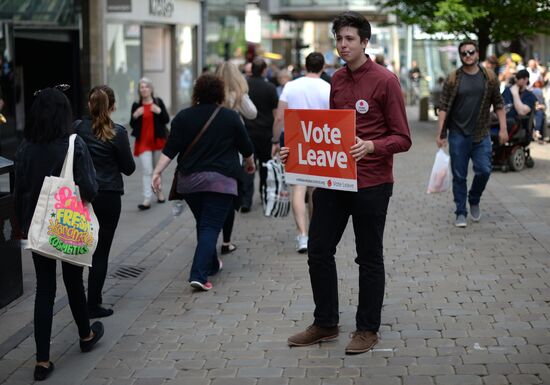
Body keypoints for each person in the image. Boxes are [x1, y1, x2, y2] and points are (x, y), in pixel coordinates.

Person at [282, 11, 411, 355]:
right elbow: (327, 130)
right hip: (335, 181)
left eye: (349, 38)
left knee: (369, 256)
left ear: (365, 42)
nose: (342, 45)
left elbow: (403, 138)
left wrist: (372, 146)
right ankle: (325, 322)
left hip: (372, 182)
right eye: (338, 38)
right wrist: (296, 152)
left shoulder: (386, 80)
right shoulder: (335, 79)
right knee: (319, 248)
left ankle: (367, 328)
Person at [14, 87, 104, 381]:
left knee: (44, 289)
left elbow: (20, 191)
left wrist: (20, 226)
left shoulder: (25, 147)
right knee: (73, 280)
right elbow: (90, 188)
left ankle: (42, 361)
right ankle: (86, 334)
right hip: (67, 223)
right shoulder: (73, 145)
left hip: (38, 225)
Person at [151, 74, 255, 291]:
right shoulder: (229, 117)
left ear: (196, 92)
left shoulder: (183, 117)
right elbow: (246, 148)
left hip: (190, 183)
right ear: (219, 93)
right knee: (209, 226)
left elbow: (171, 149)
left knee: (205, 223)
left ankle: (212, 263)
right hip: (221, 182)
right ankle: (198, 274)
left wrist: (157, 172)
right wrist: (250, 164)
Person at [75, 86, 135, 318]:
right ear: (112, 106)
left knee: (80, 249)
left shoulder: (78, 128)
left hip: (83, 195)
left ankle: (78, 301)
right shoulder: (117, 132)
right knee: (101, 252)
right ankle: (93, 304)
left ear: (90, 105)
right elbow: (129, 168)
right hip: (109, 196)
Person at [437, 40, 508, 228]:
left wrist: (503, 129)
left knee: (484, 170)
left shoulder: (489, 77)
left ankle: (474, 198)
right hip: (457, 134)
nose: (467, 55)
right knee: (459, 176)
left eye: (470, 52)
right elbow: (443, 106)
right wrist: (440, 133)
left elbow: (499, 104)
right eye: (464, 53)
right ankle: (460, 211)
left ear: (477, 53)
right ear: (460, 56)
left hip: (481, 133)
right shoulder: (453, 78)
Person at [271, 52, 330, 253]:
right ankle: (314, 231)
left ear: (305, 66)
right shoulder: (328, 88)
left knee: (298, 188)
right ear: (323, 67)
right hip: (319, 140)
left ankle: (302, 235)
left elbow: (280, 116)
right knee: (315, 189)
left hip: (295, 137)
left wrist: (275, 140)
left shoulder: (291, 86)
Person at [215, 61, 257, 255]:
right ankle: (226, 239)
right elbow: (252, 113)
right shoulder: (238, 95)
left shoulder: (213, 94)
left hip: (213, 146)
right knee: (230, 193)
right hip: (233, 150)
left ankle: (212, 231)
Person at [241, 58, 279, 212]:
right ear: (264, 70)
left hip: (247, 131)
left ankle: (246, 200)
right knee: (265, 165)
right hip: (265, 132)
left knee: (249, 165)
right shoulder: (270, 87)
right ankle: (264, 195)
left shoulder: (245, 86)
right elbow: (276, 113)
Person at [130, 77, 170, 210]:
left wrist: (158, 111)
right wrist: (135, 115)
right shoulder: (136, 105)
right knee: (147, 170)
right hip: (143, 143)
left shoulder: (158, 102)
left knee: (157, 170)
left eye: (146, 86)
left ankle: (159, 192)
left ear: (151, 89)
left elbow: (166, 119)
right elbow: (132, 124)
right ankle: (147, 198)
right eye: (141, 87)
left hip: (158, 141)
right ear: (139, 90)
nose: (144, 89)